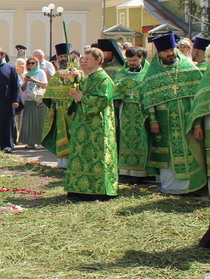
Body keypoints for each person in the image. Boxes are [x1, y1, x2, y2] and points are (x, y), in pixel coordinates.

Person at [144, 33, 205, 195]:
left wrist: (197, 123)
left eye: (172, 49)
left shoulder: (189, 69)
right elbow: (149, 99)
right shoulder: (152, 74)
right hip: (165, 121)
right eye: (166, 51)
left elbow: (197, 99)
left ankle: (191, 186)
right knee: (168, 154)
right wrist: (153, 120)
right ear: (159, 54)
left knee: (190, 151)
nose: (170, 53)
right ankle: (171, 187)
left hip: (187, 118)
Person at [64, 47, 119, 199]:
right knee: (81, 154)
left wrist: (82, 98)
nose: (83, 62)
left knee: (97, 155)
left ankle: (98, 189)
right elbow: (77, 98)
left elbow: (103, 100)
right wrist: (73, 97)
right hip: (82, 122)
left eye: (87, 59)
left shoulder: (104, 79)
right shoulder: (85, 77)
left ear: (98, 61)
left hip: (98, 125)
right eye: (83, 59)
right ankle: (79, 187)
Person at [112, 47, 154, 178]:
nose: (132, 63)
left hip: (141, 112)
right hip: (125, 111)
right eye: (129, 60)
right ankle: (125, 171)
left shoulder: (148, 73)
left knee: (141, 138)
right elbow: (115, 91)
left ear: (142, 58)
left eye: (135, 60)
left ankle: (142, 172)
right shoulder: (122, 74)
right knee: (125, 139)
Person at [42, 43, 75, 168]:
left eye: (65, 56)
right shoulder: (57, 74)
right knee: (61, 134)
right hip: (59, 110)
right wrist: (52, 109)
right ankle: (62, 163)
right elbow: (52, 95)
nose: (63, 58)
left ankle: (73, 162)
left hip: (73, 109)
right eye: (61, 56)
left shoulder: (77, 72)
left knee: (72, 135)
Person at [19, 57, 48, 149]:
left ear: (36, 64)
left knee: (38, 121)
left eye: (33, 63)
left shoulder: (40, 72)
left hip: (38, 99)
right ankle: (30, 142)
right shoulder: (26, 74)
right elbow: (23, 89)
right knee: (28, 122)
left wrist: (33, 80)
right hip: (29, 99)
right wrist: (25, 81)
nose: (31, 65)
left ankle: (40, 142)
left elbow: (45, 84)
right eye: (29, 63)